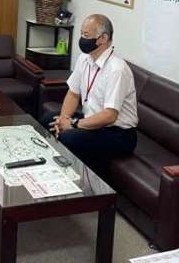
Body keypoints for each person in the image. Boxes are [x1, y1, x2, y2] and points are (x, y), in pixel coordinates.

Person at [42, 14, 137, 173]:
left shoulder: (117, 69)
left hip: (118, 133)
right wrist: (64, 119)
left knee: (69, 137)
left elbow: (109, 116)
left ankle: (72, 178)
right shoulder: (84, 59)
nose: (82, 39)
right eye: (81, 34)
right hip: (91, 121)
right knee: (48, 119)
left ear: (103, 38)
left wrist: (73, 124)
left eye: (86, 35)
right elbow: (73, 93)